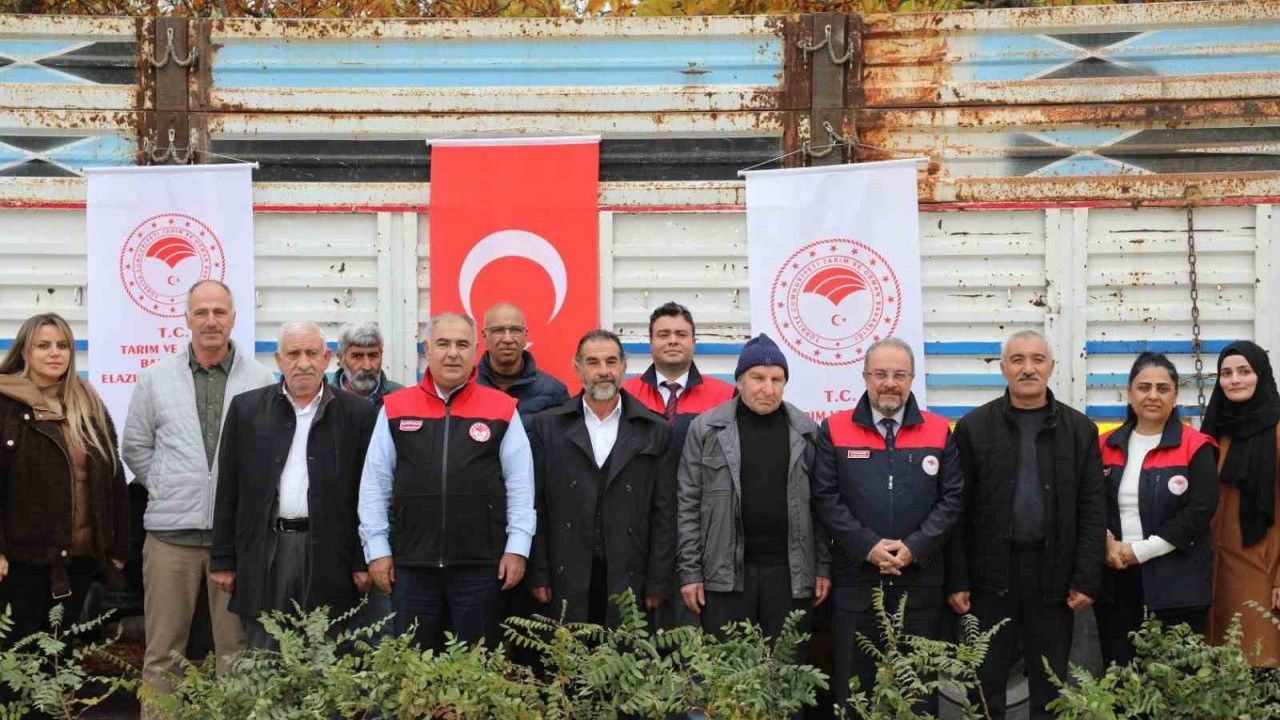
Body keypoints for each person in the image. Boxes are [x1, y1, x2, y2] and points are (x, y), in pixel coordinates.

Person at [122, 280, 275, 701]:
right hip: (170, 540)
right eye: (202, 312)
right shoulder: (154, 379)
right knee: (163, 654)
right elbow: (135, 446)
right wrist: (166, 485)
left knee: (237, 654)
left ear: (233, 318)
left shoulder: (261, 380)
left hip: (236, 544)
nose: (211, 321)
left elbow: (268, 455)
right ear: (187, 318)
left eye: (219, 312)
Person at [944, 330, 1106, 720]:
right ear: (1003, 368)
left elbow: (1092, 509)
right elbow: (956, 511)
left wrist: (1086, 578)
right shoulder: (973, 428)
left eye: (1037, 359)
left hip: (1054, 580)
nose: (1028, 369)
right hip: (989, 579)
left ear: (1051, 367)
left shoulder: (1080, 431)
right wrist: (957, 579)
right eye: (1017, 360)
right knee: (984, 684)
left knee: (1050, 685)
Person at [358, 312, 535, 650]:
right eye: (443, 344)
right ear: (427, 349)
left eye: (462, 344)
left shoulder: (501, 408)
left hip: (481, 568)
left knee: (477, 665)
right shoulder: (395, 407)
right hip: (411, 566)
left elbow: (521, 486)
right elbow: (375, 485)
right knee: (415, 667)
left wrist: (517, 548)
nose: (453, 353)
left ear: (475, 351)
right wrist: (377, 549)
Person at [808, 337, 961, 710]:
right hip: (856, 582)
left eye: (899, 374)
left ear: (911, 378)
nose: (890, 383)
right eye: (880, 374)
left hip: (919, 584)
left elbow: (952, 500)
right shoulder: (835, 428)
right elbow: (825, 497)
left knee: (917, 695)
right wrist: (868, 547)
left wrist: (914, 548)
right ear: (865, 377)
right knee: (856, 694)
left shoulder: (938, 430)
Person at [210, 322, 378, 648]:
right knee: (266, 653)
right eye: (293, 354)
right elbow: (228, 487)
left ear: (327, 358)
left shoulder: (358, 413)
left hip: (331, 554)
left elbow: (367, 492)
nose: (303, 363)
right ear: (278, 360)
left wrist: (363, 559)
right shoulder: (247, 410)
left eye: (312, 353)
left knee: (326, 655)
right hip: (266, 551)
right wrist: (222, 559)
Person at [677, 334, 830, 640]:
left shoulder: (807, 432)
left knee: (788, 664)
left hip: (790, 575)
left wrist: (822, 566)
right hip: (725, 575)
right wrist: (690, 572)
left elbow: (822, 507)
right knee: (729, 665)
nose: (768, 388)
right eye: (758, 378)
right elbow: (688, 505)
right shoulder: (706, 429)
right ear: (739, 381)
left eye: (776, 380)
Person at [527, 330, 672, 624]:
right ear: (577, 368)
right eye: (593, 362)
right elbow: (536, 504)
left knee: (622, 650)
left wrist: (658, 580)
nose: (603, 371)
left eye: (611, 361)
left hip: (628, 570)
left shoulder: (654, 429)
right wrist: (538, 572)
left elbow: (665, 512)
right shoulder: (548, 427)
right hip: (567, 569)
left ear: (624, 366)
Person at [0, 313, 128, 643]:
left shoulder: (88, 403)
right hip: (21, 563)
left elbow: (114, 476)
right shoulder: (5, 404)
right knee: (19, 660)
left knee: (61, 659)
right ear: (25, 351)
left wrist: (117, 547)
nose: (54, 353)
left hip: (79, 562)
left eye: (62, 345)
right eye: (44, 345)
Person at [1095, 352, 1218, 666]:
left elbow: (1199, 511)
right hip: (1116, 579)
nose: (1152, 395)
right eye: (1144, 387)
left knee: (1176, 680)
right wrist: (1107, 542)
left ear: (1175, 397)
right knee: (1120, 676)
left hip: (1179, 583)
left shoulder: (1196, 446)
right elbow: (1090, 504)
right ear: (1129, 393)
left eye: (1163, 388)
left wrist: (1141, 551)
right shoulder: (1104, 445)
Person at [623, 302, 735, 627]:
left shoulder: (726, 396)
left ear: (693, 342)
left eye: (681, 334)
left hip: (702, 531)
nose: (672, 340)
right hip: (639, 530)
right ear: (650, 342)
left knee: (698, 631)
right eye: (663, 334)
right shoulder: (624, 395)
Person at [1205, 340, 1280, 665]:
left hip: (1262, 569)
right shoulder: (1215, 429)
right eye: (1226, 373)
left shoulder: (1276, 431)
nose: (1234, 380)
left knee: (1259, 661)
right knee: (1217, 666)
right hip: (1215, 569)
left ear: (1261, 375)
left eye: (1244, 371)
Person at [475, 302, 569, 428]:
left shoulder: (554, 392)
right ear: (484, 337)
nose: (507, 339)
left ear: (525, 336)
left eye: (515, 330)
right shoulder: (465, 388)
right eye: (498, 330)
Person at [331, 321, 403, 406]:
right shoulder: (324, 399)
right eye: (357, 356)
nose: (367, 366)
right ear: (341, 359)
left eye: (373, 355)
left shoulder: (401, 397)